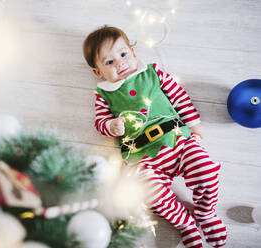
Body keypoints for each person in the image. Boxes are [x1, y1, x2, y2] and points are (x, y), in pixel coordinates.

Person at [83, 25, 227, 248]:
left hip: (177, 139)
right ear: (98, 72)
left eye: (123, 54)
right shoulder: (104, 94)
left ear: (133, 52)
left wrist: (194, 125)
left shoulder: (152, 73)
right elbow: (100, 122)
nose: (120, 63)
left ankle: (206, 212)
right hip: (142, 157)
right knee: (148, 193)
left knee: (206, 171)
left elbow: (179, 97)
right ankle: (186, 224)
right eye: (109, 62)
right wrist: (111, 126)